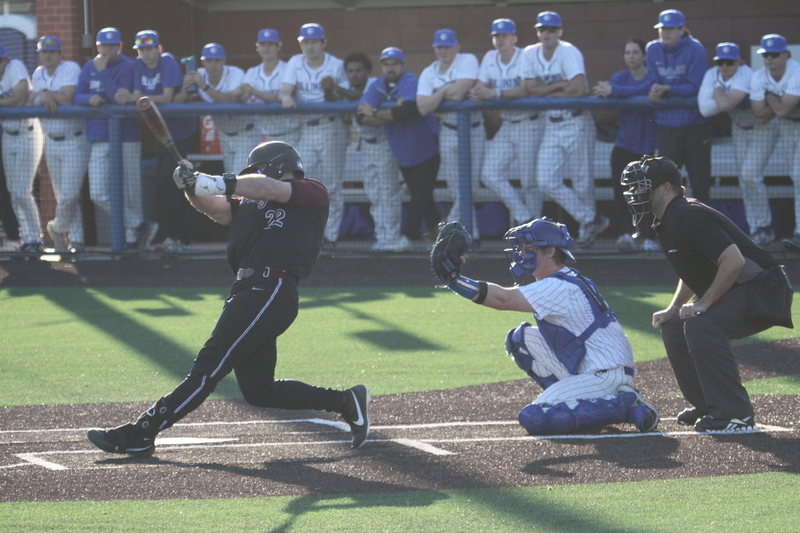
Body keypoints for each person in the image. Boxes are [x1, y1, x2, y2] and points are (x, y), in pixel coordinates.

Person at [87, 141, 371, 456]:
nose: (252, 178)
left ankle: (141, 432)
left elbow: (269, 189)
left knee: (207, 369)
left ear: (277, 165)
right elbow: (217, 208)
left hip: (271, 288)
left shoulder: (310, 191)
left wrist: (217, 181)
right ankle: (346, 401)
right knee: (259, 390)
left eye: (256, 171)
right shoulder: (250, 202)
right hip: (250, 292)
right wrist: (192, 188)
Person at [432, 217, 659, 435]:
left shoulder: (558, 286)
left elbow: (503, 299)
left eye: (528, 248)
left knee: (535, 418)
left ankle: (625, 406)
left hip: (605, 374)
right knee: (521, 340)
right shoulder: (562, 279)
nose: (521, 254)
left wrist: (454, 279)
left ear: (550, 251)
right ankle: (581, 398)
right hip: (593, 364)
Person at [621, 155, 788, 432]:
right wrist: (674, 308)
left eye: (641, 186)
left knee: (702, 324)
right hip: (743, 288)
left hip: (764, 289)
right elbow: (693, 270)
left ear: (665, 188)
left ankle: (736, 414)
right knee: (674, 327)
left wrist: (705, 303)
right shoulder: (668, 218)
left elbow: (734, 261)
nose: (635, 194)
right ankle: (708, 405)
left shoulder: (688, 215)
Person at [521, 11, 608, 247]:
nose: (546, 34)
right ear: (538, 32)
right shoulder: (530, 53)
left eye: (551, 29)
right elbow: (530, 89)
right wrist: (561, 85)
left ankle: (587, 232)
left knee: (582, 182)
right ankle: (591, 218)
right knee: (545, 180)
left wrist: (546, 88)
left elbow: (578, 89)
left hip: (576, 121)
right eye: (542, 30)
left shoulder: (568, 51)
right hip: (551, 123)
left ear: (559, 32)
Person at [123, 30, 197, 253]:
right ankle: (173, 238)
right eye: (141, 49)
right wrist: (134, 97)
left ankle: (178, 239)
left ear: (158, 48)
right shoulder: (138, 64)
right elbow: (137, 92)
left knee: (169, 182)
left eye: (149, 48)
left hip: (181, 132)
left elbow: (166, 98)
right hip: (159, 131)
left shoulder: (167, 62)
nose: (145, 53)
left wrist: (136, 98)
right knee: (164, 185)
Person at [699, 42, 779, 246]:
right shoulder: (712, 73)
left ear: (739, 62)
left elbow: (725, 105)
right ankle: (755, 229)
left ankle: (765, 227)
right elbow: (704, 110)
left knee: (750, 174)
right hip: (739, 127)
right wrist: (721, 95)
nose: (725, 67)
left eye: (730, 62)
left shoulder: (745, 74)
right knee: (745, 180)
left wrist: (717, 91)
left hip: (763, 126)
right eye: (721, 62)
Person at [358, 47, 442, 242]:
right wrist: (389, 114)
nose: (390, 68)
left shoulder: (410, 80)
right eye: (386, 64)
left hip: (426, 147)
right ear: (381, 66)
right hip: (402, 151)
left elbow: (406, 110)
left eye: (394, 64)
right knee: (423, 196)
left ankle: (406, 236)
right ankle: (439, 232)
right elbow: (361, 116)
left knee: (420, 195)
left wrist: (376, 113)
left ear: (402, 65)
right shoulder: (378, 85)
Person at [74, 27, 146, 252]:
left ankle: (132, 237)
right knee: (97, 193)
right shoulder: (88, 67)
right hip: (99, 136)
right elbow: (77, 95)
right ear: (97, 46)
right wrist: (88, 98)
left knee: (131, 191)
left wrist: (103, 73)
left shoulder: (129, 66)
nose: (107, 50)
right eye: (103, 46)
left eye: (111, 46)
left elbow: (119, 98)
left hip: (127, 137)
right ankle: (135, 223)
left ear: (119, 47)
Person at [279, 23, 348, 246]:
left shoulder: (336, 65)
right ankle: (305, 231)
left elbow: (345, 100)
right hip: (306, 128)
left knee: (333, 185)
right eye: (305, 42)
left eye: (314, 42)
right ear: (301, 44)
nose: (310, 46)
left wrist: (332, 88)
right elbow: (285, 90)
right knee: (300, 179)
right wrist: (286, 96)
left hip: (330, 127)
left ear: (323, 43)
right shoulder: (295, 62)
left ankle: (331, 235)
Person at [470, 18, 543, 228]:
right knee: (489, 173)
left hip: (529, 123)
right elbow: (480, 85)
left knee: (530, 182)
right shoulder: (490, 57)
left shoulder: (525, 56)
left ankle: (536, 232)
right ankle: (525, 218)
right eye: (497, 36)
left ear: (514, 38)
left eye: (504, 35)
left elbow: (524, 89)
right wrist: (477, 92)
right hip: (508, 124)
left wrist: (492, 93)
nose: (500, 39)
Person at [417, 28, 484, 240]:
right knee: (457, 190)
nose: (443, 51)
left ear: (457, 47)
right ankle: (471, 237)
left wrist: (442, 93)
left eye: (447, 47)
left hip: (473, 131)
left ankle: (447, 233)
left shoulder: (467, 60)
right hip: (448, 130)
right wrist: (446, 90)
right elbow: (423, 107)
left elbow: (458, 93)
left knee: (469, 188)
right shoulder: (429, 71)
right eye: (439, 47)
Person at [592, 39, 658, 253]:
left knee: (648, 194)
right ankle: (626, 235)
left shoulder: (653, 77)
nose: (631, 56)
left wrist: (616, 91)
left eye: (635, 52)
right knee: (623, 193)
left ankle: (649, 237)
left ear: (644, 56)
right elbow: (608, 92)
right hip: (624, 144)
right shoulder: (620, 77)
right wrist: (612, 90)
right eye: (627, 52)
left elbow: (646, 89)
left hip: (648, 146)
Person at [337, 52, 406, 252]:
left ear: (368, 72)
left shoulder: (377, 84)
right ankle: (382, 236)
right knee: (374, 193)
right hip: (366, 145)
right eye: (350, 71)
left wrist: (335, 88)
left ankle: (392, 238)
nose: (354, 75)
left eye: (359, 71)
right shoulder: (347, 89)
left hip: (385, 142)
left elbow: (362, 99)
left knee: (388, 193)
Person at [646, 9, 712, 205]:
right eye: (662, 29)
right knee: (666, 183)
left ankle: (704, 229)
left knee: (700, 181)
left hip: (695, 125)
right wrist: (654, 89)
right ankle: (669, 227)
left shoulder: (696, 49)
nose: (665, 33)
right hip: (667, 125)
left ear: (682, 30)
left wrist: (668, 88)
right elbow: (652, 79)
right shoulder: (652, 48)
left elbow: (695, 87)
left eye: (671, 29)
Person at [30, 36, 88, 254]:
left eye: (52, 52)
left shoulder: (70, 68)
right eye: (44, 52)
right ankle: (77, 241)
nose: (47, 55)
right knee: (63, 195)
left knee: (69, 195)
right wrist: (44, 93)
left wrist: (45, 93)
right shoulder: (38, 73)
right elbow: (33, 98)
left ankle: (56, 227)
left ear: (60, 54)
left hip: (74, 138)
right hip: (51, 140)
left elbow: (67, 99)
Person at [749, 34, 800, 252]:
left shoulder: (796, 71)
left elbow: (782, 110)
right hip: (788, 125)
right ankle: (767, 229)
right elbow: (760, 116)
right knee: (793, 175)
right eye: (765, 55)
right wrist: (777, 101)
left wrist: (769, 96)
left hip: (795, 120)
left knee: (799, 176)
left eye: (774, 55)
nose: (769, 59)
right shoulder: (760, 75)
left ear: (786, 55)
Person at [184, 43, 257, 178]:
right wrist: (186, 85)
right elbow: (185, 97)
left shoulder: (235, 73)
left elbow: (230, 100)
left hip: (246, 132)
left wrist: (204, 86)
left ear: (224, 61)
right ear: (203, 62)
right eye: (208, 61)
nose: (212, 65)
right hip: (224, 133)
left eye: (217, 61)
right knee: (230, 178)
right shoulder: (199, 74)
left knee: (239, 179)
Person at [0, 43, 45, 253]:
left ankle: (35, 238)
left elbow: (19, 97)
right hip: (8, 136)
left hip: (28, 132)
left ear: (5, 60)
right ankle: (27, 239)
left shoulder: (15, 66)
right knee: (13, 191)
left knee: (22, 190)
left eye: (0, 60)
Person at [234, 29, 301, 146]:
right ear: (257, 47)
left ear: (278, 47)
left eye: (271, 44)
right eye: (263, 45)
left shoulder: (289, 69)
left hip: (292, 134)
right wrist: (239, 93)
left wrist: (254, 91)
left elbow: (279, 97)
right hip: (266, 136)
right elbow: (243, 98)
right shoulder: (252, 72)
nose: (267, 48)